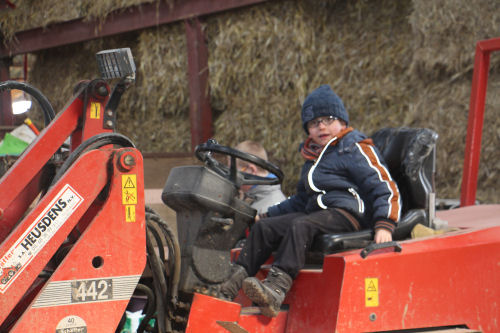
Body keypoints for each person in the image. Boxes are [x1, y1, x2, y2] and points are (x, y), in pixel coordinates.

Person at [219, 84, 401, 317]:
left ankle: (275, 290)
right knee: (265, 228)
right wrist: (265, 215)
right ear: (308, 130)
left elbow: (385, 187)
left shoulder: (354, 147)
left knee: (301, 225)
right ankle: (230, 285)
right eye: (314, 123)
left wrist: (385, 223)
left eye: (328, 119)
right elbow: (300, 201)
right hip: (317, 213)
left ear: (343, 122)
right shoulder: (312, 158)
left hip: (348, 213)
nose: (321, 126)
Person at [234, 140, 286, 215]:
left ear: (251, 170)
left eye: (233, 171)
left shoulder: (268, 211)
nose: (231, 176)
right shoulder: (253, 196)